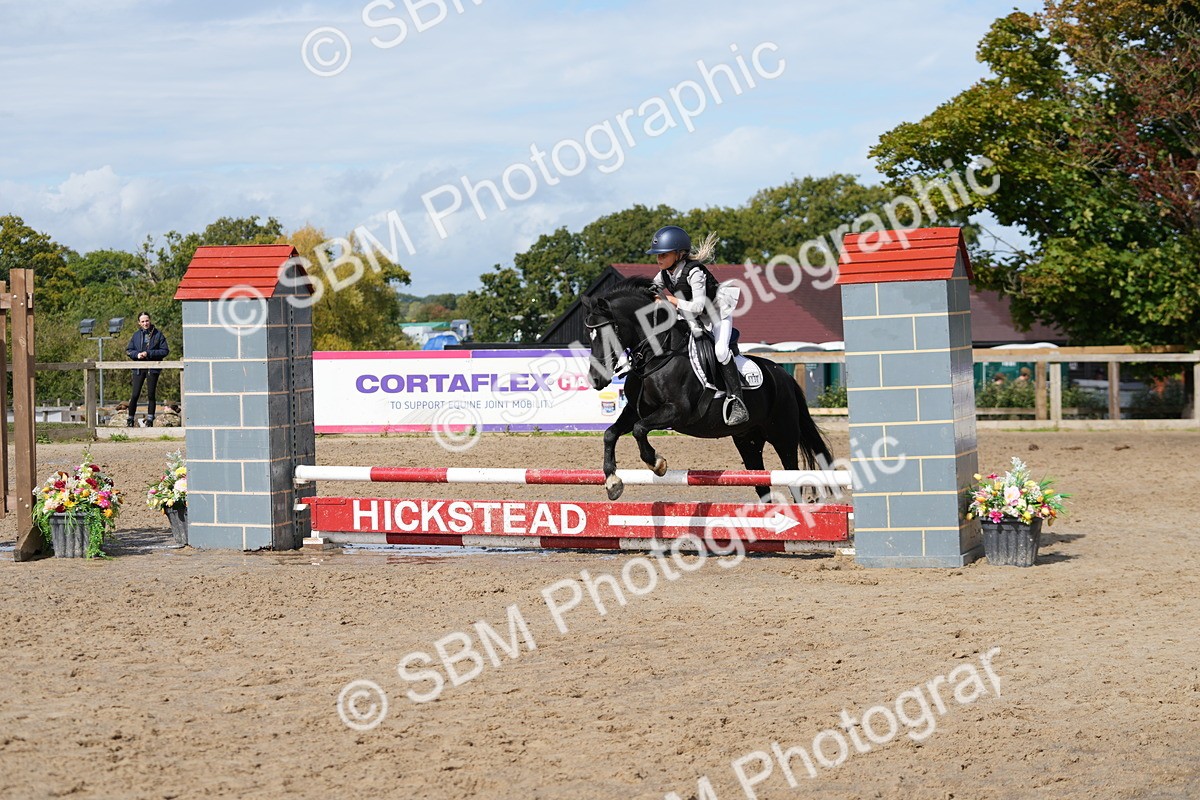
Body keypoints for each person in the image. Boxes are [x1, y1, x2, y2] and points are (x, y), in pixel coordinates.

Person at [647, 225, 748, 425]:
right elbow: (651, 289)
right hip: (693, 316)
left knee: (720, 350)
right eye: (657, 255)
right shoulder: (665, 273)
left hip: (716, 313)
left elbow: (699, 306)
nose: (658, 259)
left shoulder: (695, 272)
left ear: (678, 254)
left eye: (663, 255)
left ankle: (737, 401)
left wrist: (671, 301)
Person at [126, 311, 169, 427]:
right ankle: (130, 419)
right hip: (138, 368)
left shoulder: (158, 334)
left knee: (151, 394)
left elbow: (165, 351)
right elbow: (129, 350)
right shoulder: (136, 336)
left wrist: (148, 353)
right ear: (139, 323)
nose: (145, 323)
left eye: (147, 321)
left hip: (152, 368)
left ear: (150, 320)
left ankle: (150, 419)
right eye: (143, 321)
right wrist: (137, 355)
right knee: (135, 394)